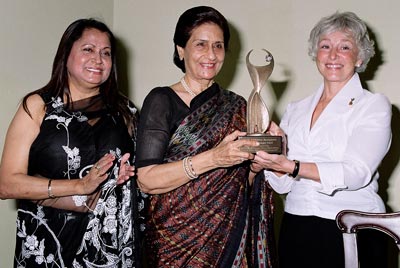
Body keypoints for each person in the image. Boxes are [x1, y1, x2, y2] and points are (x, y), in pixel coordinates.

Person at [136, 5, 277, 267]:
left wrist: (256, 169)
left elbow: (237, 183)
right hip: (172, 242)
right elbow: (146, 181)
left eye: (218, 45)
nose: (211, 54)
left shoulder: (238, 106)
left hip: (228, 238)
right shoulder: (161, 100)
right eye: (200, 44)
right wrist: (213, 158)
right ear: (181, 49)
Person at [0, 18, 146, 267]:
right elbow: (7, 184)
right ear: (66, 54)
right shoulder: (38, 107)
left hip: (107, 253)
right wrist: (79, 186)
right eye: (88, 49)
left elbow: (140, 180)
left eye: (106, 53)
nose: (98, 59)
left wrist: (126, 180)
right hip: (46, 249)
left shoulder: (126, 112)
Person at [251, 11, 392, 268]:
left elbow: (356, 173)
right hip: (297, 224)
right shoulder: (296, 109)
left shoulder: (373, 105)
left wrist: (292, 166)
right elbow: (283, 186)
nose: (333, 55)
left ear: (360, 57)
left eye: (345, 47)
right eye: (325, 46)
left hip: (353, 227)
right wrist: (271, 161)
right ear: (316, 54)